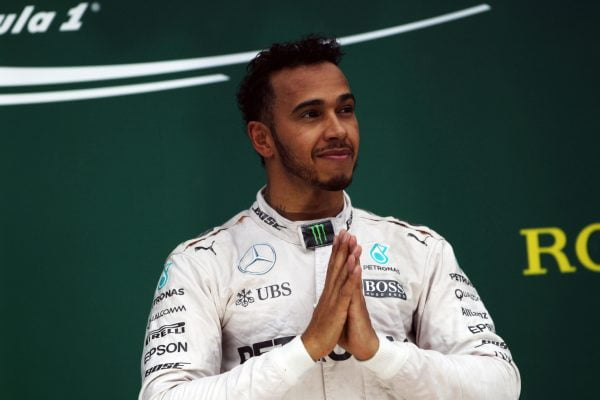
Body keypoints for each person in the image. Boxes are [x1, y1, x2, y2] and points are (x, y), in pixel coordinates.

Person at [138, 35, 521, 399]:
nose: (337, 130)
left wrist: (378, 352)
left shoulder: (420, 250)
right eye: (311, 114)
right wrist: (305, 349)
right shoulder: (201, 263)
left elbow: (500, 386)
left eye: (346, 110)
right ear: (262, 139)